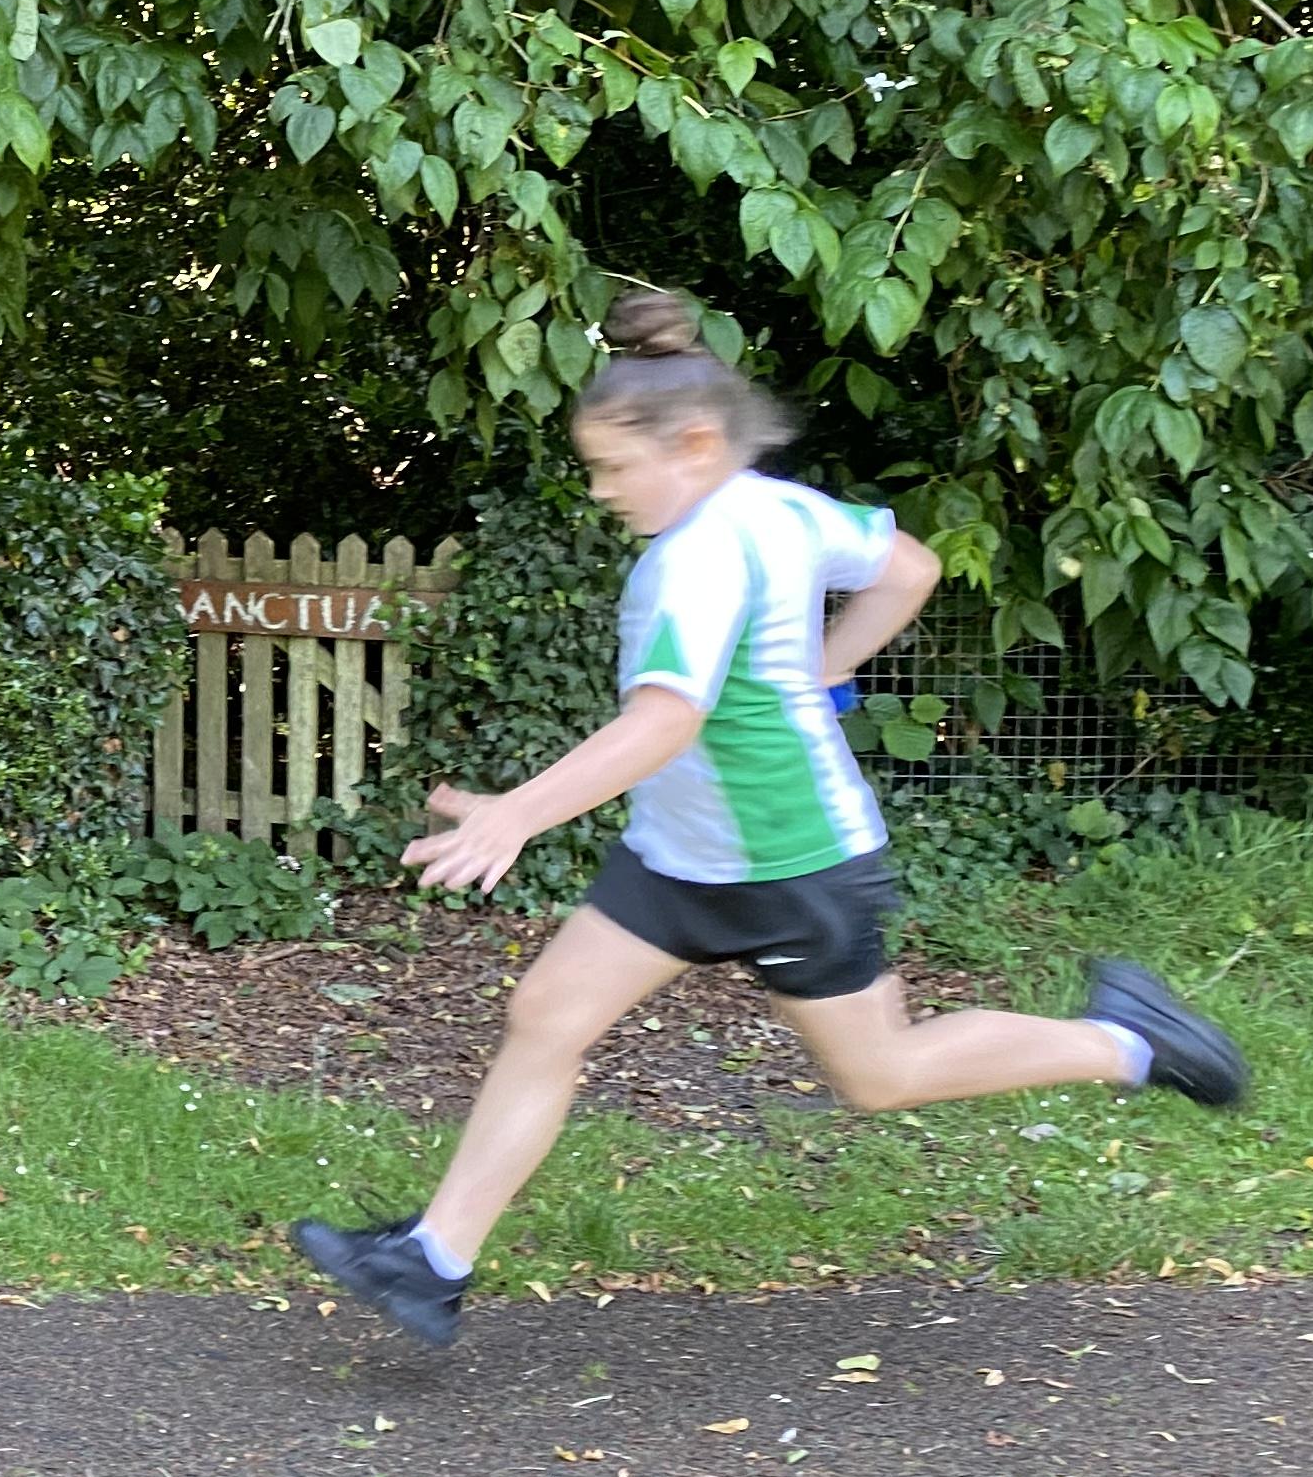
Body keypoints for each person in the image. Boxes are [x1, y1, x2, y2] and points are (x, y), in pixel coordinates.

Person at [289, 289, 1246, 1349]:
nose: (602, 491)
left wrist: (516, 815)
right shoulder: (784, 510)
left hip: (790, 861)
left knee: (881, 1074)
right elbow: (912, 568)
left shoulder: (694, 559)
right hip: (682, 855)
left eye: (614, 467)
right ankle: (433, 1262)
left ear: (695, 445)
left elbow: (664, 721)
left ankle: (1130, 1043)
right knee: (547, 1015)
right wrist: (820, 671)